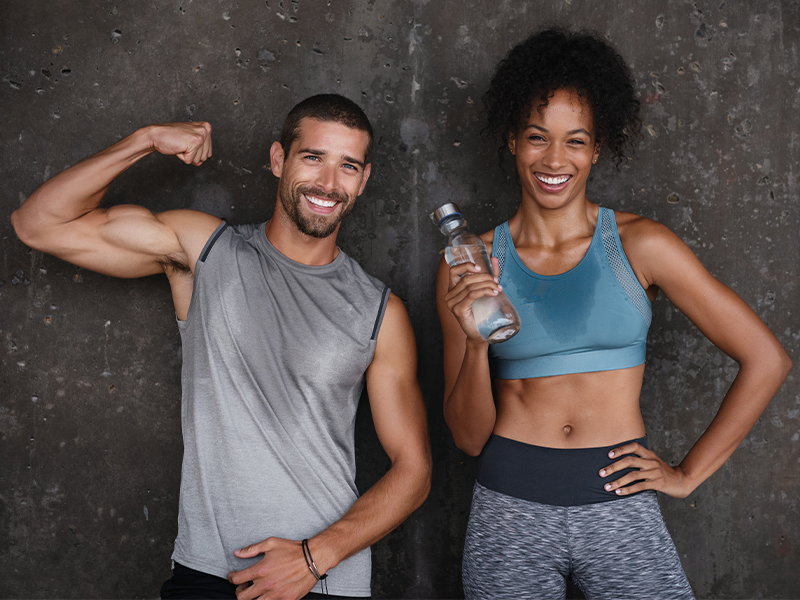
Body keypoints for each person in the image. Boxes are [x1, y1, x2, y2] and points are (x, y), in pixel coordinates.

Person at [12, 94, 432, 600]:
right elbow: (36, 225)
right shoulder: (204, 252)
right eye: (313, 157)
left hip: (323, 581)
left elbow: (414, 471)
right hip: (211, 573)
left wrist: (312, 558)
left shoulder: (380, 313)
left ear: (364, 181)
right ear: (279, 159)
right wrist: (143, 139)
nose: (328, 183)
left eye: (348, 166)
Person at [435, 28, 791, 600]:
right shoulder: (471, 262)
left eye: (575, 141)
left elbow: (766, 359)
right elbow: (468, 437)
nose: (555, 160)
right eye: (537, 137)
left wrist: (686, 474)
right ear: (512, 141)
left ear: (597, 149)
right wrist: (477, 343)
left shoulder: (642, 244)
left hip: (619, 506)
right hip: (509, 509)